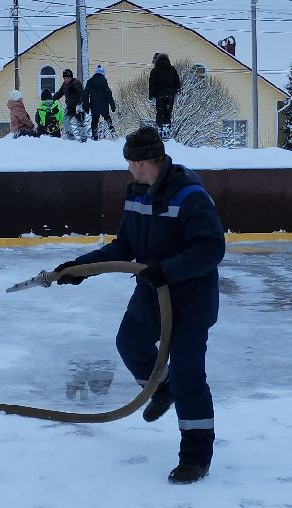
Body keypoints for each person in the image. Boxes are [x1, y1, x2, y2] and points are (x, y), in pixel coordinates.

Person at [49, 126, 223, 484]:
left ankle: (195, 456)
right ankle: (163, 386)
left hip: (189, 300)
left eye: (130, 161)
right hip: (151, 294)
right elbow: (124, 246)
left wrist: (167, 270)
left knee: (190, 376)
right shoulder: (136, 194)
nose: (128, 168)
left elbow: (210, 249)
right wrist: (81, 268)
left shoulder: (191, 197)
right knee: (129, 344)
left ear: (143, 161)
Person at [148, 53, 182, 138]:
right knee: (168, 111)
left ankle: (160, 130)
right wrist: (178, 91)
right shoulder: (172, 69)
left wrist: (151, 95)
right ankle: (167, 130)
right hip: (170, 94)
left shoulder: (155, 70)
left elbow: (152, 83)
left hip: (160, 94)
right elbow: (177, 81)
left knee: (160, 112)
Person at [84, 64, 117, 141]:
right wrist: (112, 105)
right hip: (104, 106)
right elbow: (109, 93)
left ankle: (94, 136)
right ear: (103, 73)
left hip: (94, 105)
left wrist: (86, 106)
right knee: (108, 119)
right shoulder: (104, 81)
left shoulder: (90, 81)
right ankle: (113, 134)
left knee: (95, 121)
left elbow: (85, 94)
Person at [54, 68, 85, 141]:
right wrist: (51, 98)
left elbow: (82, 95)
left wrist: (79, 104)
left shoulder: (76, 83)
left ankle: (83, 139)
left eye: (67, 78)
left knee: (80, 124)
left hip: (78, 107)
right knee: (65, 122)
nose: (66, 80)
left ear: (71, 77)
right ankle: (70, 137)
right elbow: (59, 93)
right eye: (64, 78)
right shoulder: (64, 85)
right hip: (70, 107)